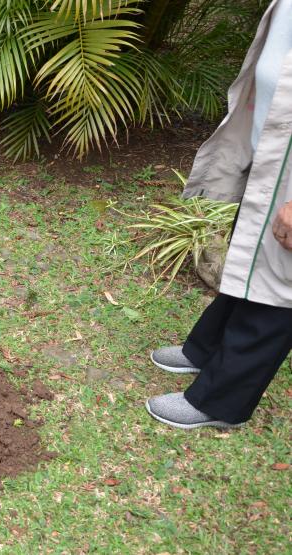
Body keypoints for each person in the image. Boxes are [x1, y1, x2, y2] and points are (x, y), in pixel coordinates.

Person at [146, 0, 292, 430]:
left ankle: (222, 402)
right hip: (270, 155)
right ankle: (205, 351)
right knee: (253, 261)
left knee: (280, 286)